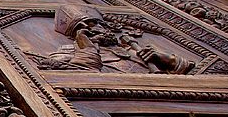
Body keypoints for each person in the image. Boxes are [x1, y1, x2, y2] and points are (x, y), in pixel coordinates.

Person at [31, 5, 194, 74]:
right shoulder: (67, 54)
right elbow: (76, 78)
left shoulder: (131, 48)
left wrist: (169, 60)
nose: (90, 28)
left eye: (95, 24)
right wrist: (87, 48)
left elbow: (194, 72)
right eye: (82, 27)